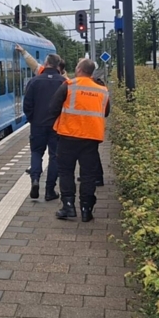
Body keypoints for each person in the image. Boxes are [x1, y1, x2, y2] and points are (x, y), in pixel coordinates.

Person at [48, 58, 110, 222]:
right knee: (88, 175)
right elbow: (106, 112)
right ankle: (86, 210)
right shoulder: (102, 90)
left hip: (68, 136)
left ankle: (68, 207)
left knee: (66, 171)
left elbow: (53, 108)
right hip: (91, 138)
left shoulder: (69, 85)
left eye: (76, 66)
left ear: (80, 69)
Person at [22, 54, 66, 201]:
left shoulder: (34, 81)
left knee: (36, 153)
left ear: (46, 63)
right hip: (57, 126)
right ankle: (49, 191)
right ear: (58, 65)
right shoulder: (64, 82)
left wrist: (32, 119)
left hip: (38, 125)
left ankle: (35, 180)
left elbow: (27, 105)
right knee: (55, 156)